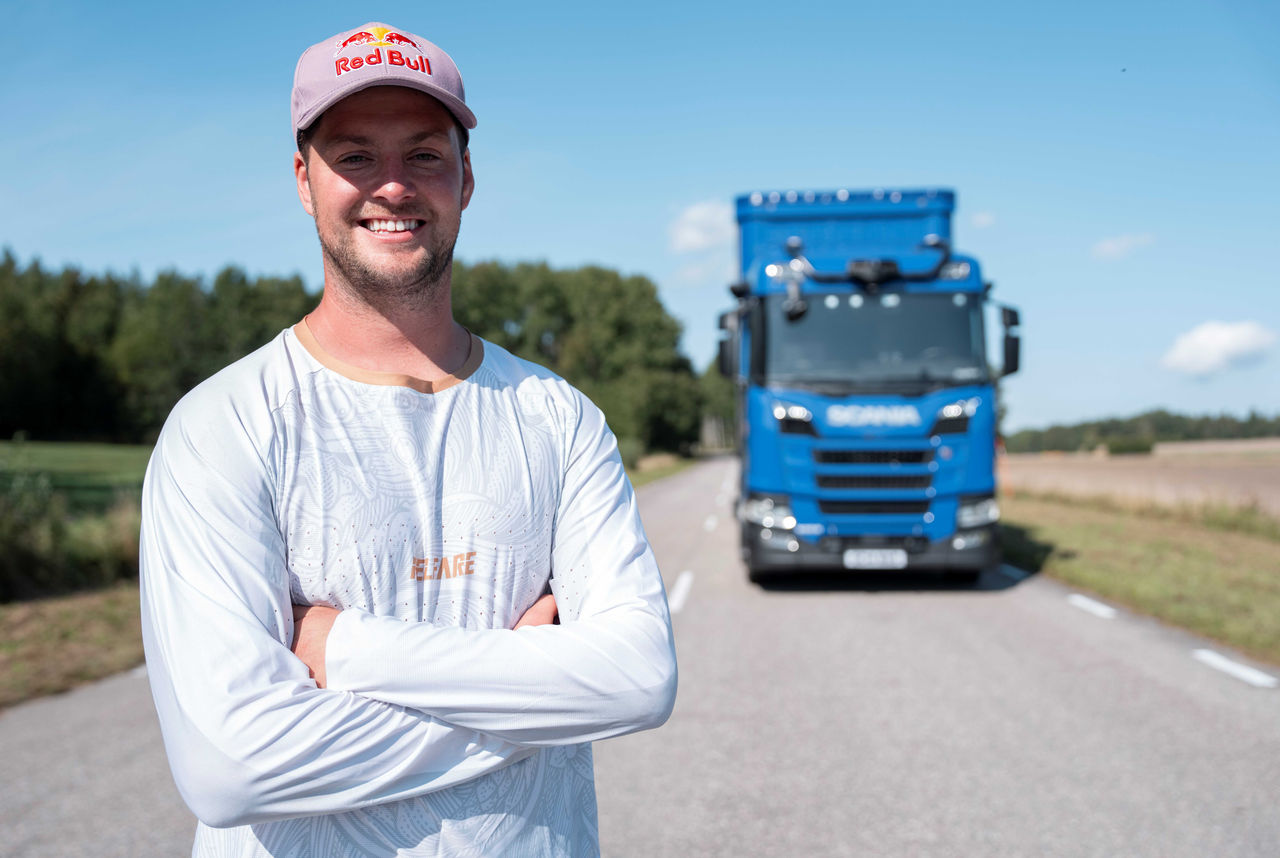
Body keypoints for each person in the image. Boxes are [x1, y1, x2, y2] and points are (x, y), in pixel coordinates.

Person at [139, 21, 678, 858]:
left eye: (424, 154)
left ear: (466, 178)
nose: (393, 186)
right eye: (355, 155)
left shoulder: (558, 416)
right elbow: (232, 767)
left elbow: (637, 679)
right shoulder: (226, 425)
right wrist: (533, 697)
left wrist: (346, 647)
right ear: (303, 179)